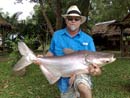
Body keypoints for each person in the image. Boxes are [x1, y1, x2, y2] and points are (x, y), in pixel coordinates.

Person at [36, 5, 101, 98]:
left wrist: (97, 71)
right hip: (64, 79)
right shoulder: (57, 35)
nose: (73, 21)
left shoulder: (88, 39)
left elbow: (95, 63)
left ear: (80, 21)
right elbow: (52, 52)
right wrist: (43, 59)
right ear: (66, 20)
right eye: (70, 18)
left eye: (76, 19)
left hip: (82, 74)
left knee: (84, 90)